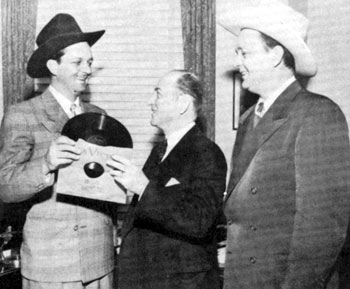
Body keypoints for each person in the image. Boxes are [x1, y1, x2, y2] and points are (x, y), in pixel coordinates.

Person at [218, 1, 350, 288]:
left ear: (276, 55)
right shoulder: (248, 118)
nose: (238, 62)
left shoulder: (318, 114)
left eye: (245, 53)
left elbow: (321, 230)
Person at [0, 14, 115, 289]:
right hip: (51, 267)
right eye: (77, 62)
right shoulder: (22, 115)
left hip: (100, 262)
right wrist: (46, 164)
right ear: (53, 65)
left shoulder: (99, 116)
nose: (87, 69)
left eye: (89, 61)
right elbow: (5, 186)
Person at [107, 70, 227, 289]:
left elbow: (199, 220)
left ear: (182, 104)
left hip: (181, 282)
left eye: (158, 94)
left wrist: (142, 187)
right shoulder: (161, 150)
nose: (149, 102)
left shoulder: (207, 153)